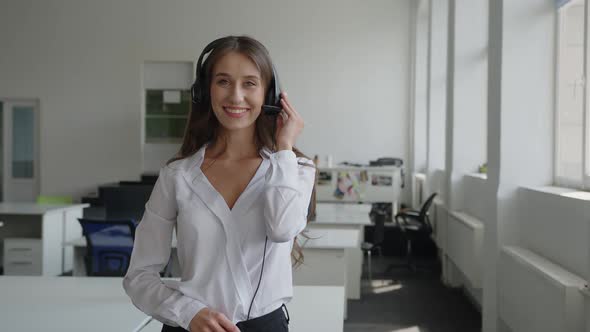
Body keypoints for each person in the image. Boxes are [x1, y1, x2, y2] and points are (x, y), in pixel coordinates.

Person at [123, 35, 316, 332]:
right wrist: (187, 312)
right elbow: (138, 276)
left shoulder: (294, 169)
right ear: (204, 91)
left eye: (249, 83)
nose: (236, 96)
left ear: (269, 94)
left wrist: (284, 146)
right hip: (189, 327)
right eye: (223, 81)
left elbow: (282, 229)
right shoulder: (178, 175)